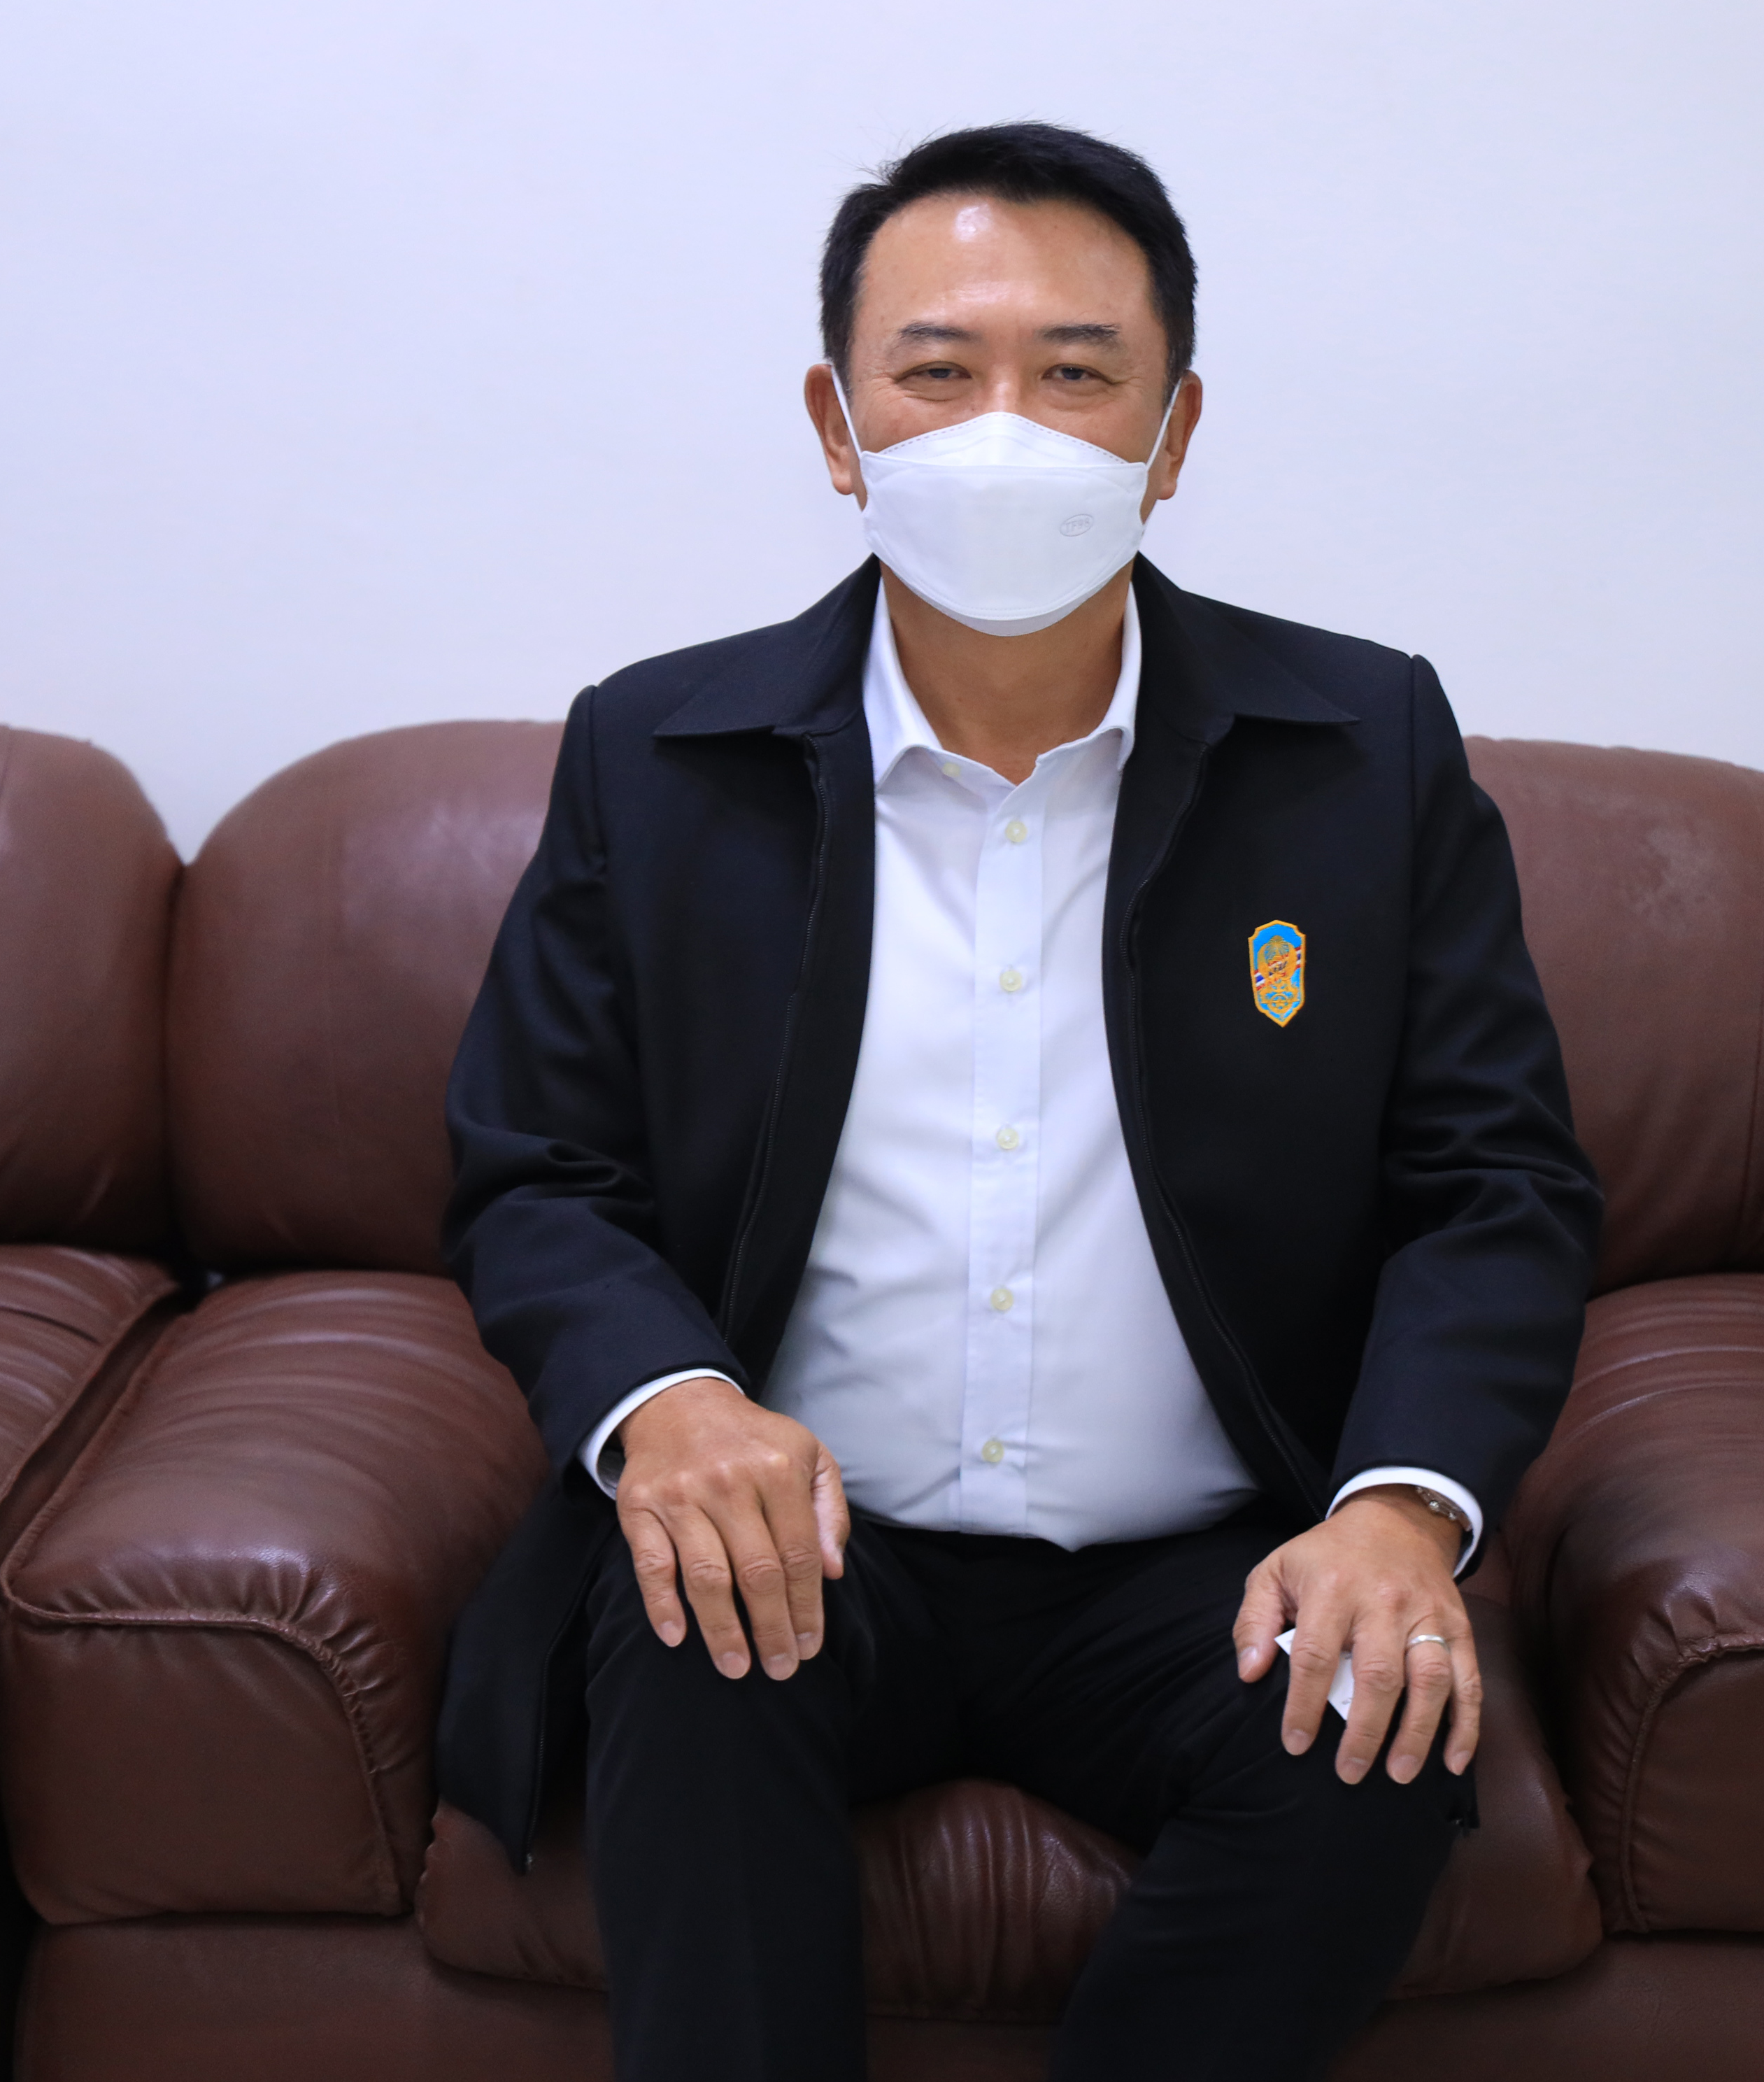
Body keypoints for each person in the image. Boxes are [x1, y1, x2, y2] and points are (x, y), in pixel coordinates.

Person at [436, 120, 1600, 2082]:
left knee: (1371, 1735)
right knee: (686, 1628)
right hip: (813, 1535)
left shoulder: (1361, 747)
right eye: (937, 370)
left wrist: (1403, 1511)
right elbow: (536, 1170)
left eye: (1075, 374)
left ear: (1173, 430)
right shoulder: (658, 754)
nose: (1004, 431)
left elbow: (1495, 1185)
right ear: (838, 425)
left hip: (1216, 1558)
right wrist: (676, 1407)